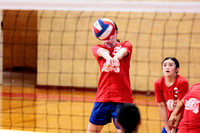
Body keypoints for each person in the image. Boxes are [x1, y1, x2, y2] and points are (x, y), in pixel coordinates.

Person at [87, 21, 133, 133]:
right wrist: (108, 58)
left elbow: (123, 51)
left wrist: (116, 58)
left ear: (116, 32)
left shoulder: (126, 44)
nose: (107, 39)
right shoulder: (97, 47)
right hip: (103, 97)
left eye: (110, 35)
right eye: (104, 36)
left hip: (122, 98)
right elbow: (101, 51)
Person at [154, 57, 189, 133]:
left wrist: (174, 129)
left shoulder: (182, 82)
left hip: (183, 121)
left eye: (170, 65)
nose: (167, 67)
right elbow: (161, 106)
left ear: (177, 69)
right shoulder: (158, 83)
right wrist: (167, 129)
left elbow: (180, 106)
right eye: (165, 65)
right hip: (169, 120)